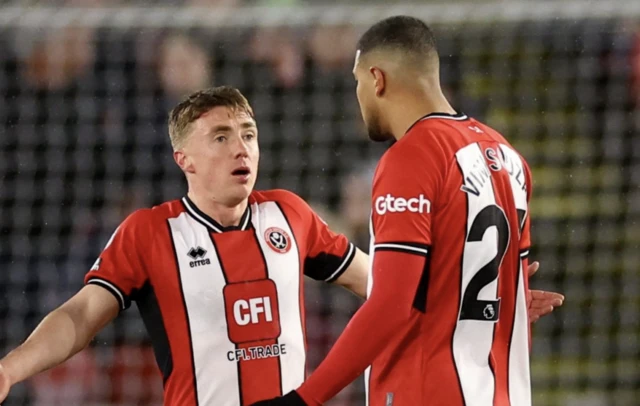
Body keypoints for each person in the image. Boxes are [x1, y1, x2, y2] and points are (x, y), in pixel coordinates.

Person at [0, 86, 559, 406]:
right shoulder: (149, 232)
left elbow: (388, 286)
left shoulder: (288, 215)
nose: (241, 147)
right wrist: (11, 368)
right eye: (221, 137)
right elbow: (79, 318)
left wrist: (483, 295)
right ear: (184, 160)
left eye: (248, 133)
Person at [252, 16, 564, 406]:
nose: (358, 94)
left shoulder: (411, 157)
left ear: (377, 78)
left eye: (357, 81)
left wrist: (304, 399)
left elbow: (390, 304)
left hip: (425, 391)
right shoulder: (507, 156)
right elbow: (497, 297)